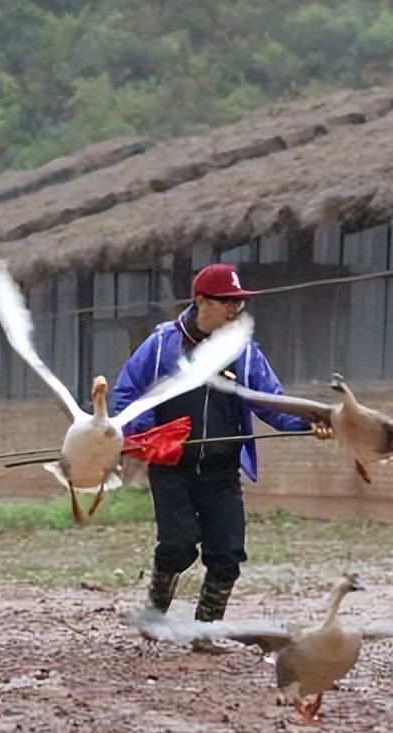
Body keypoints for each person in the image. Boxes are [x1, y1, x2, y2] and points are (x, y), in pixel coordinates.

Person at [113, 263, 326, 650]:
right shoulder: (162, 344)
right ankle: (154, 613)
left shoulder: (244, 353)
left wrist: (312, 422)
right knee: (178, 545)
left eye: (237, 304)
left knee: (227, 553)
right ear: (200, 302)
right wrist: (145, 433)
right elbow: (127, 395)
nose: (234, 311)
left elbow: (273, 404)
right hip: (171, 465)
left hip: (222, 468)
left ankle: (205, 632)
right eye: (226, 303)